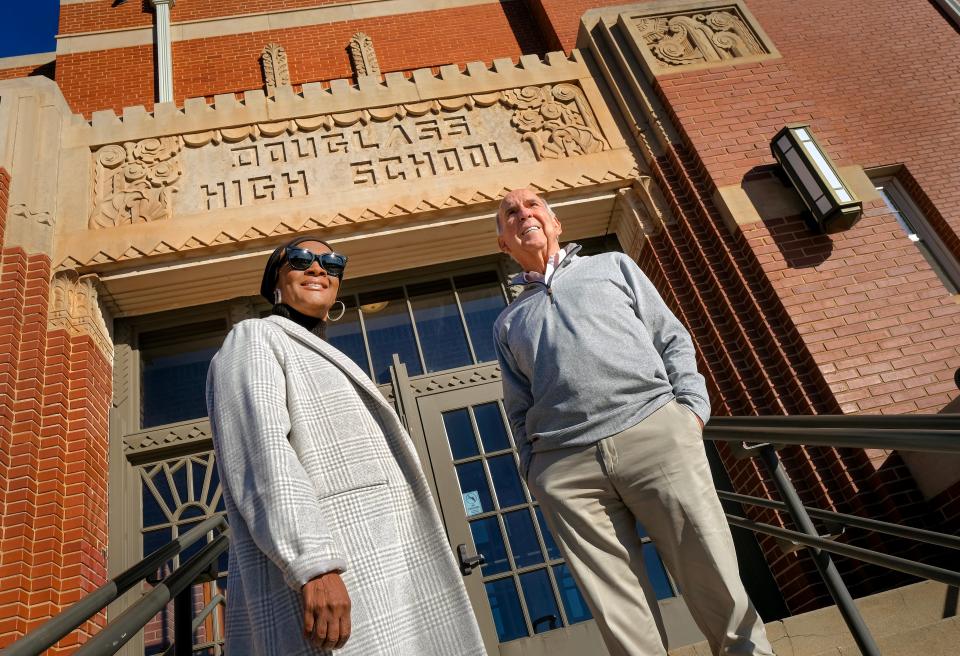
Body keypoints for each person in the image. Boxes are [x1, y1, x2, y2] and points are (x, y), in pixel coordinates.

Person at [492, 189, 774, 656]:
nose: (524, 214)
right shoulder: (506, 321)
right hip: (566, 469)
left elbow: (671, 337)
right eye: (510, 214)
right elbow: (517, 404)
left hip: (654, 435)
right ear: (504, 243)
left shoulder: (612, 266)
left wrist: (690, 412)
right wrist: (534, 467)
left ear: (556, 223)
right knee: (619, 613)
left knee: (712, 573)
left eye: (533, 205)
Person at [206, 236, 485, 656]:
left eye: (332, 262)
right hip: (334, 572)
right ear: (275, 283)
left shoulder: (319, 353)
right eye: (301, 259)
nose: (319, 268)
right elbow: (263, 456)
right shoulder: (254, 337)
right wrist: (313, 565)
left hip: (379, 569)